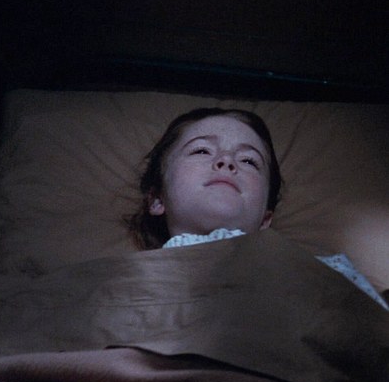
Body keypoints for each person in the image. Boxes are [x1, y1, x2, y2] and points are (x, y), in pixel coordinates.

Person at [126, 107, 387, 308]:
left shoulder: (325, 273)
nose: (226, 161)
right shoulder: (130, 283)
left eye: (249, 161)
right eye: (202, 151)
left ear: (265, 218)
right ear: (157, 199)